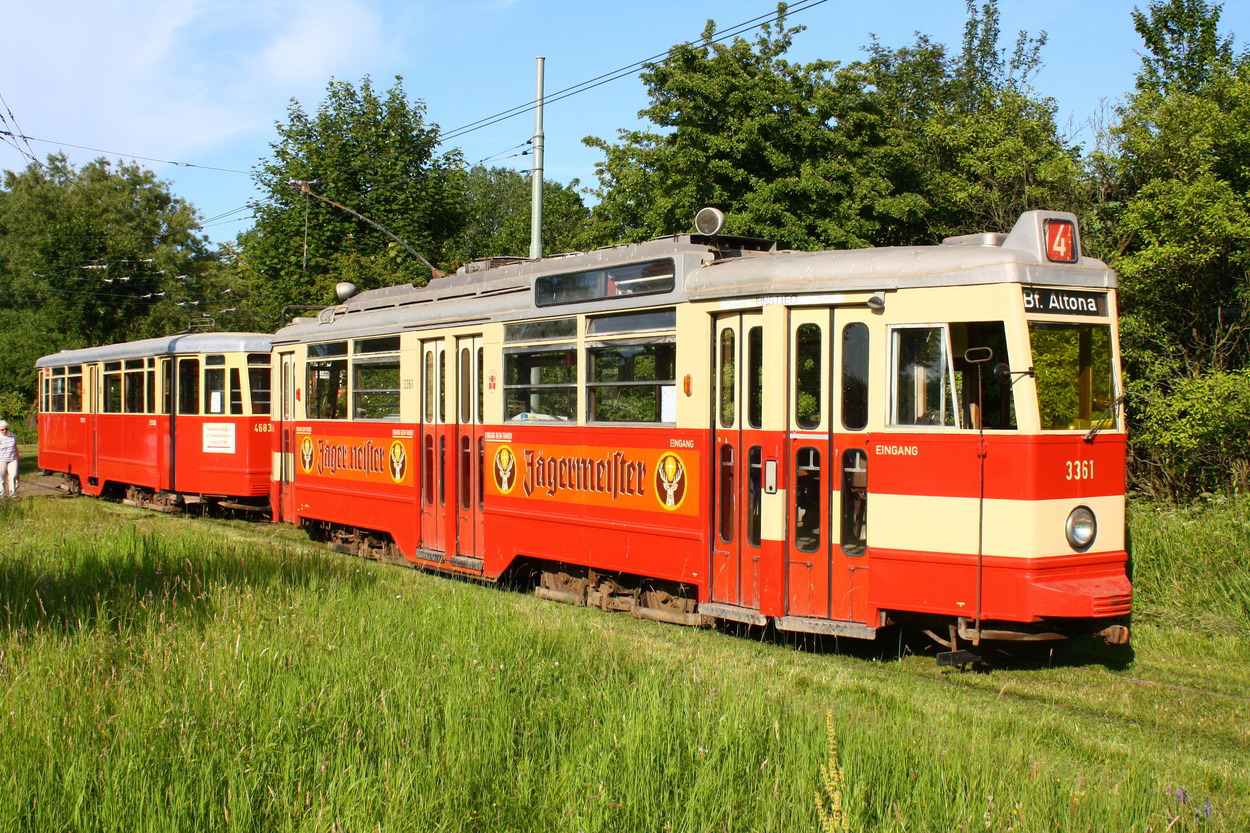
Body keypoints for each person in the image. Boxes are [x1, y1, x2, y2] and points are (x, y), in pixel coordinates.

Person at [0, 419, 17, 500]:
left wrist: (18, 457)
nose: (4, 431)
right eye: (2, 429)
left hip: (13, 459)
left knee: (12, 476)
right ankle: (2, 496)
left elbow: (15, 448)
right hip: (1, 459)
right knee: (1, 478)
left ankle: (13, 495)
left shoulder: (12, 436)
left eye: (6, 429)